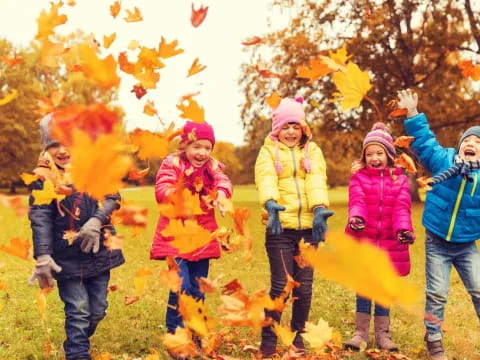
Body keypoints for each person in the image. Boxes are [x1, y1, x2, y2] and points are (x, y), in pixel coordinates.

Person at [28, 114, 125, 360]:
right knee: (78, 311)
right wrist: (43, 255)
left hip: (98, 253)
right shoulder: (43, 180)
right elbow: (40, 218)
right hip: (65, 257)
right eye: (54, 145)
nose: (62, 150)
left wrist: (96, 219)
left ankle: (76, 339)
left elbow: (113, 197)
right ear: (46, 148)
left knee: (97, 311)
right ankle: (77, 352)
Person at [398, 89, 480, 360]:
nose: (473, 144)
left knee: (479, 289)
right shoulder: (443, 160)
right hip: (438, 243)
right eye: (469, 139)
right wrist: (412, 113)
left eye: (479, 142)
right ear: (460, 145)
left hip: (467, 245)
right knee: (437, 293)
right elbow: (423, 141)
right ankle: (434, 338)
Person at [254, 96, 333, 358]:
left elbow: (317, 180)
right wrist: (270, 203)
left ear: (303, 129)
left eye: (295, 126)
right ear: (277, 129)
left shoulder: (313, 151)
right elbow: (265, 178)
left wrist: (320, 208)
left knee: (304, 288)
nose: (290, 132)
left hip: (309, 231)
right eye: (285, 126)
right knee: (280, 287)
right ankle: (268, 338)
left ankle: (298, 335)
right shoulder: (268, 152)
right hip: (280, 230)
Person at [150, 121, 233, 337]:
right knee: (181, 286)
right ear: (185, 146)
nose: (202, 153)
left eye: (207, 147)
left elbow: (223, 181)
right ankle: (177, 335)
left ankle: (195, 330)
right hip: (175, 236)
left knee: (197, 289)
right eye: (197, 147)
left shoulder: (212, 167)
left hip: (201, 238)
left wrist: (222, 194)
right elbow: (162, 187)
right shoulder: (172, 164)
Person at [343, 122, 415, 352]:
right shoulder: (359, 178)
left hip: (389, 243)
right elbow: (357, 201)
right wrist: (356, 218)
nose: (374, 157)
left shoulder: (400, 179)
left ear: (390, 155)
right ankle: (360, 332)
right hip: (365, 240)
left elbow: (402, 208)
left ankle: (383, 334)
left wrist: (404, 230)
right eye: (370, 153)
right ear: (364, 157)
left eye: (379, 153)